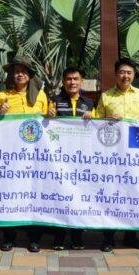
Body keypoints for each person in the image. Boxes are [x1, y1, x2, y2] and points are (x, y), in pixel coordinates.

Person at [95, 58, 139, 252]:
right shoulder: (106, 96)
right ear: (116, 74)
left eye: (129, 72)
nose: (125, 76)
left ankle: (131, 236)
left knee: (133, 194)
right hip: (112, 156)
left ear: (134, 74)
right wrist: (107, 120)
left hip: (135, 155)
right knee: (111, 194)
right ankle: (108, 237)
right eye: (122, 72)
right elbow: (96, 124)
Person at [0, 55, 48, 252]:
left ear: (30, 74)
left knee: (35, 195)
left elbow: (50, 123)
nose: (20, 74)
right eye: (16, 71)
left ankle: (34, 238)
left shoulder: (41, 96)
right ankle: (9, 236)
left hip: (35, 157)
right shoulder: (2, 96)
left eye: (23, 71)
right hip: (11, 156)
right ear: (11, 75)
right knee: (11, 194)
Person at [45, 67, 93, 251]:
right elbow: (48, 124)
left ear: (81, 81)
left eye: (75, 79)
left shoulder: (89, 103)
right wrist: (49, 116)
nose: (72, 82)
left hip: (81, 158)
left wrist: (92, 117)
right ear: (64, 82)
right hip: (58, 157)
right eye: (68, 79)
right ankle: (58, 236)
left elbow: (95, 127)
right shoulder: (55, 101)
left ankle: (77, 236)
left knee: (78, 196)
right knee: (59, 195)